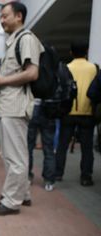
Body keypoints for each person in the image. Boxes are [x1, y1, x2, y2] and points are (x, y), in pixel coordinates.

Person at [0, 2, 44, 215]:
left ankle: (11, 202)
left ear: (19, 16)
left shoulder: (26, 39)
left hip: (15, 106)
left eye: (5, 15)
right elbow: (12, 75)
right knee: (15, 154)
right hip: (9, 105)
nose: (2, 20)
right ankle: (23, 194)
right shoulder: (16, 40)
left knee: (15, 157)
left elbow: (32, 73)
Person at [55, 41, 97, 186]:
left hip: (68, 112)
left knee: (62, 145)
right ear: (87, 51)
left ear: (71, 52)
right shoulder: (94, 68)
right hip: (88, 113)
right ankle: (86, 177)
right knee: (87, 148)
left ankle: (58, 173)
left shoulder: (66, 68)